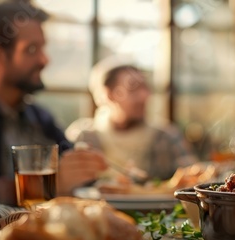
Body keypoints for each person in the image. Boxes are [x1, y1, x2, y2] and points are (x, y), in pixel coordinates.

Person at [0, 1, 107, 206]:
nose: (45, 60)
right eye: (31, 49)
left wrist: (85, 166)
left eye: (43, 48)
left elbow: (71, 167)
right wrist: (41, 186)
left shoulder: (41, 118)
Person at [66, 58, 198, 184]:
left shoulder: (167, 136)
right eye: (133, 89)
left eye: (145, 87)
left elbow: (194, 177)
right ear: (108, 95)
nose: (144, 96)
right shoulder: (83, 137)